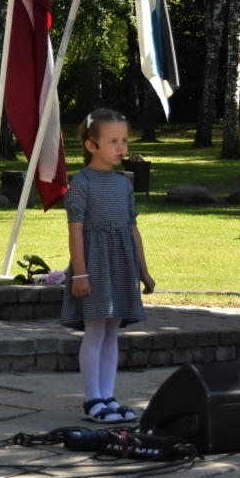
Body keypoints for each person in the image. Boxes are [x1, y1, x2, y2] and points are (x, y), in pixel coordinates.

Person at [63, 108, 156, 422]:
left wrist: (143, 271)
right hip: (94, 265)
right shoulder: (82, 183)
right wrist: (80, 272)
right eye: (113, 141)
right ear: (91, 145)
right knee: (95, 331)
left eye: (124, 141)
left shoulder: (124, 184)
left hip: (121, 264)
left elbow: (132, 228)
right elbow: (76, 230)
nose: (122, 147)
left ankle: (109, 396)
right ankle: (93, 401)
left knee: (112, 331)